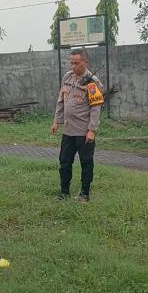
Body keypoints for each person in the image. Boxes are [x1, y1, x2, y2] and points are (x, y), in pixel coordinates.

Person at [51, 48, 104, 202]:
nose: (73, 66)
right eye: (71, 63)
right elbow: (61, 100)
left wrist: (92, 130)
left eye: (76, 63)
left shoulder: (93, 82)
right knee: (64, 162)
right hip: (68, 130)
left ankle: (84, 193)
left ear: (85, 63)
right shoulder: (67, 77)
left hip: (83, 131)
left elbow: (96, 107)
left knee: (86, 163)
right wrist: (56, 121)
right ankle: (64, 192)